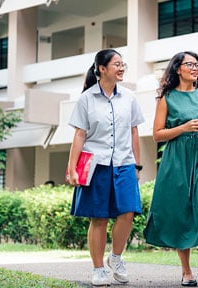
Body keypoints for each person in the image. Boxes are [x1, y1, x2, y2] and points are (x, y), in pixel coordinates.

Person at [67, 48, 145, 286]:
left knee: (128, 212)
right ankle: (98, 268)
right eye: (116, 64)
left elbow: (134, 131)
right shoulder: (86, 99)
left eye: (123, 65)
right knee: (98, 218)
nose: (121, 68)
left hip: (124, 163)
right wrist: (72, 168)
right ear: (102, 69)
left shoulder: (129, 97)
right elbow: (80, 135)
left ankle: (116, 257)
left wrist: (137, 165)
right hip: (97, 164)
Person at [143, 51, 198, 287]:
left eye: (197, 64)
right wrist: (184, 127)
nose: (195, 68)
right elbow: (157, 134)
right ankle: (186, 271)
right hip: (177, 157)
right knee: (181, 210)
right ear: (178, 69)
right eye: (190, 64)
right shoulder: (167, 97)